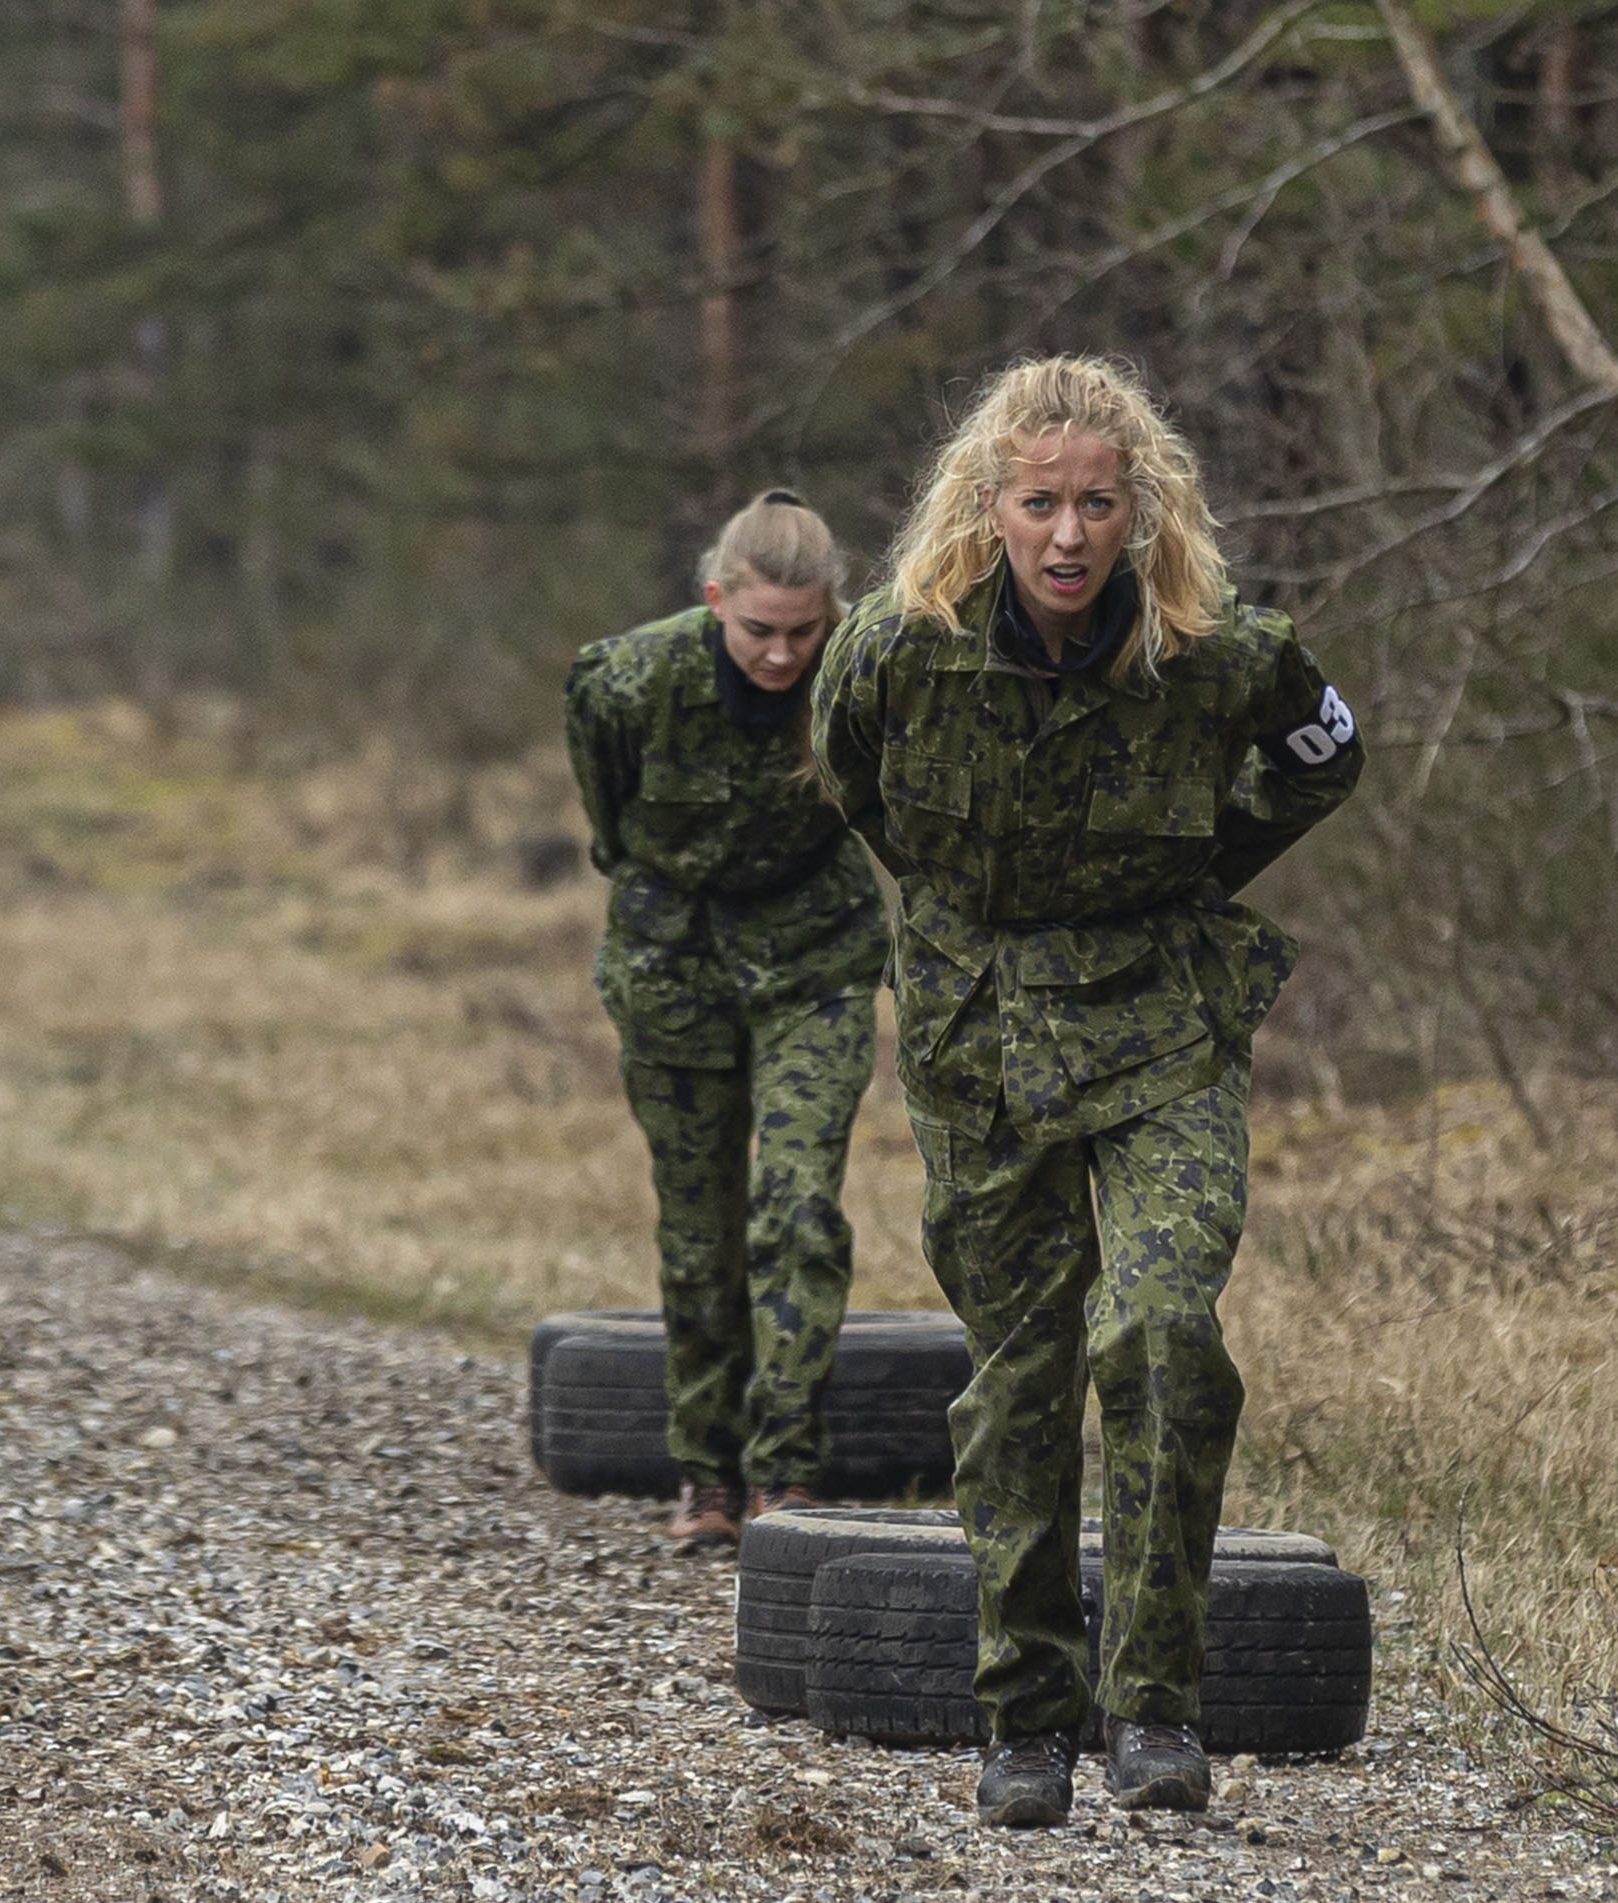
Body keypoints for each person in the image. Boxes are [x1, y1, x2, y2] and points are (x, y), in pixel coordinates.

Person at [812, 356, 1362, 1827]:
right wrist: (955, 912)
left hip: (1157, 1030)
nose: (1069, 535)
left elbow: (1328, 758)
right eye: (1041, 502)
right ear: (987, 509)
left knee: (1167, 1333)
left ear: (1144, 513)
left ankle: (1157, 1707)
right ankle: (1025, 1719)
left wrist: (1196, 868)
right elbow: (848, 778)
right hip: (979, 1039)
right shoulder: (894, 651)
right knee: (1022, 1377)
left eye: (1098, 505)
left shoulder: (1225, 654)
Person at [563, 490, 886, 1553]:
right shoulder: (630, 680)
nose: (782, 656)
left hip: (815, 957)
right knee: (701, 1229)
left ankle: (786, 1468)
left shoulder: (859, 672)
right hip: (677, 961)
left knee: (796, 1209)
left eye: (804, 631)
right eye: (759, 632)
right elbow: (608, 819)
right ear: (715, 602)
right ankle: (706, 1473)